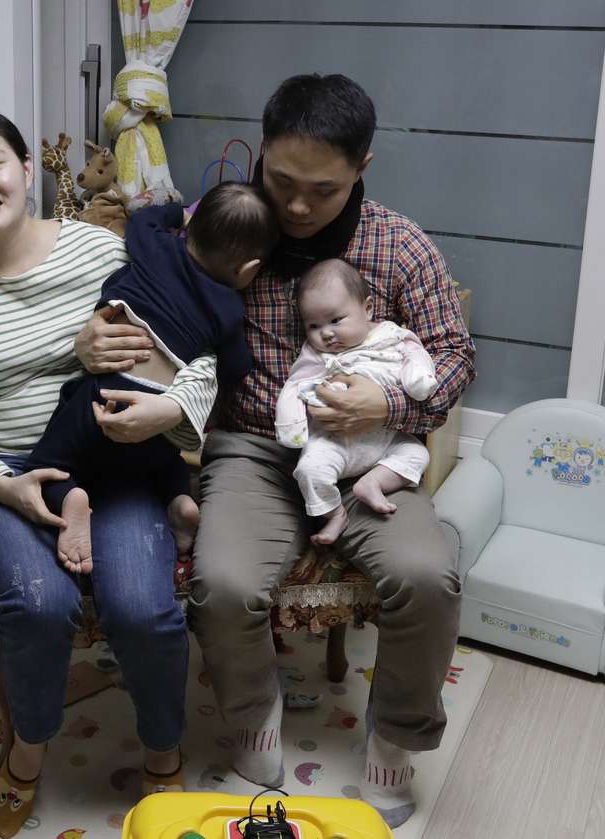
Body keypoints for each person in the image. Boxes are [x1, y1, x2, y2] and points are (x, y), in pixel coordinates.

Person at [0, 108, 218, 838]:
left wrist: (169, 410)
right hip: (8, 474)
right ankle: (26, 749)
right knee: (39, 603)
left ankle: (163, 752)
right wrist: (3, 484)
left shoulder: (94, 251)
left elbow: (192, 351)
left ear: (24, 165)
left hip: (114, 465)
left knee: (143, 605)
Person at [187, 73, 474, 829]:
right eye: (283, 181)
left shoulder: (399, 243)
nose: (299, 206)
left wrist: (390, 403)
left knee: (428, 575)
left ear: (362, 169)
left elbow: (454, 356)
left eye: (324, 187)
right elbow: (147, 287)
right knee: (220, 580)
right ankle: (253, 710)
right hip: (254, 445)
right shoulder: (224, 224)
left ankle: (395, 734)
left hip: (372, 448)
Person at [24, 182, 278, 573]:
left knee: (46, 460)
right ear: (249, 270)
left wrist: (177, 213)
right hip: (156, 412)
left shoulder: (156, 247)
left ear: (190, 230)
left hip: (103, 389)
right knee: (165, 460)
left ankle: (70, 495)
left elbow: (143, 218)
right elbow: (236, 368)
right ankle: (179, 499)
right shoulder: (228, 308)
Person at [277, 258, 438, 544]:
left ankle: (373, 482)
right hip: (334, 440)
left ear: (367, 308)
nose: (326, 333)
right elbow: (295, 385)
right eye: (314, 325)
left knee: (417, 454)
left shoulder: (390, 335)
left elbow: (415, 353)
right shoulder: (316, 355)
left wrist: (418, 380)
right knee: (309, 470)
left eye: (336, 320)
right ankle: (335, 514)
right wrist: (292, 427)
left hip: (385, 438)